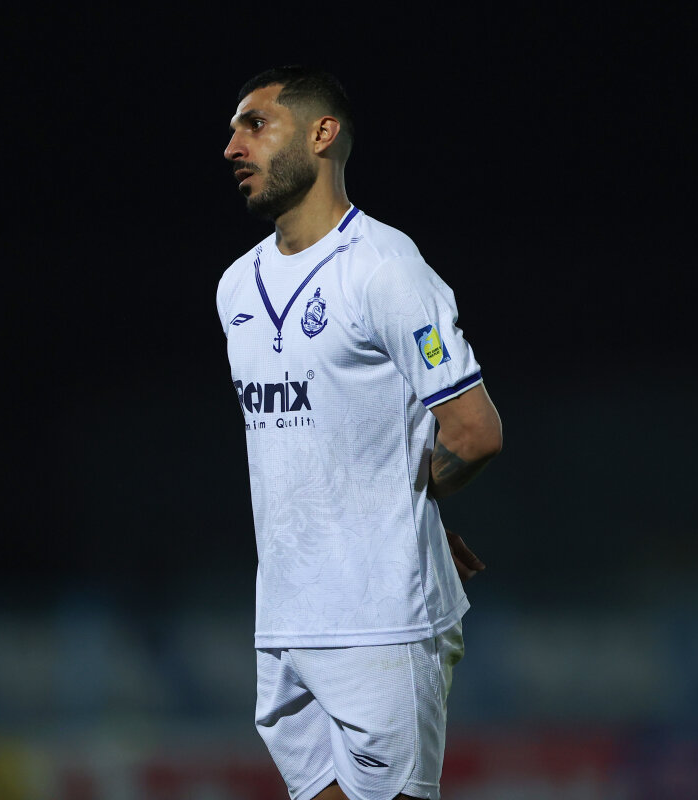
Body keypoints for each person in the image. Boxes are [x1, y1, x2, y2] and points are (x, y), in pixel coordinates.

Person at [216, 65, 502, 800]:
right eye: (232, 130)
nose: (232, 147)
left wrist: (404, 508)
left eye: (255, 125)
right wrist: (399, 500)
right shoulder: (236, 286)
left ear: (322, 134)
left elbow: (474, 430)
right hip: (285, 620)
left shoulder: (383, 268)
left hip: (382, 623)